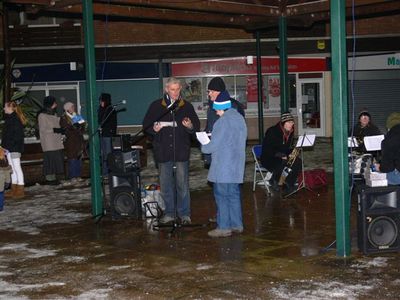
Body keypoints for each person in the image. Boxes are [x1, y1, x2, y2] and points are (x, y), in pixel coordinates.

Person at [142, 77, 200, 225]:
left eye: (178, 89)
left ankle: (184, 213)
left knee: (183, 185)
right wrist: (153, 129)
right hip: (163, 152)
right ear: (167, 90)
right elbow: (146, 126)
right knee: (166, 185)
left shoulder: (186, 106)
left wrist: (190, 126)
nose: (175, 92)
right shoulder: (156, 106)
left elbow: (196, 128)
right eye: (172, 89)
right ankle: (169, 213)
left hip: (181, 151)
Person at [201, 93, 247, 238]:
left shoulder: (221, 123)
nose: (216, 112)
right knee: (233, 195)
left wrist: (204, 143)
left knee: (221, 196)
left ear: (222, 108)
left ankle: (224, 227)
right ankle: (237, 224)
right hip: (236, 166)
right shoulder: (240, 119)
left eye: (217, 109)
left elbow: (212, 146)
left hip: (223, 167)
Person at [203, 76, 245, 168]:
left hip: (227, 154)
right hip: (215, 152)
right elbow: (210, 126)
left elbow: (238, 131)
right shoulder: (211, 107)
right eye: (208, 91)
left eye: (211, 91)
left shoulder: (233, 106)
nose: (209, 94)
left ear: (219, 92)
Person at [261, 112, 302, 195]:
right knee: (284, 162)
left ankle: (288, 183)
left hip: (282, 156)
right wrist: (281, 155)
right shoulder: (272, 131)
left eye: (292, 122)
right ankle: (274, 179)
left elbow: (286, 148)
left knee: (297, 161)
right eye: (289, 122)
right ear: (284, 123)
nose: (292, 124)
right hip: (269, 157)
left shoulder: (290, 132)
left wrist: (292, 152)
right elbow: (268, 149)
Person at [1, 100, 27, 199]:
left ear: (10, 108)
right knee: (12, 169)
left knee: (17, 168)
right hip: (9, 148)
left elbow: (16, 136)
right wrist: (4, 146)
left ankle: (20, 189)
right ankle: (14, 189)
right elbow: (7, 135)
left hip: (14, 148)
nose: (4, 109)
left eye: (5, 107)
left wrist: (8, 146)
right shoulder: (9, 119)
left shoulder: (15, 119)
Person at [38, 96, 65, 185]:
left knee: (56, 159)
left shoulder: (54, 114)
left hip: (56, 140)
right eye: (54, 103)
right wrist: (54, 130)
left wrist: (61, 130)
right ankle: (49, 179)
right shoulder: (42, 115)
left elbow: (57, 125)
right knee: (50, 160)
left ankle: (54, 178)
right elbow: (43, 129)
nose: (56, 104)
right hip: (48, 142)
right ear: (50, 104)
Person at [60, 102, 86, 183]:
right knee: (72, 159)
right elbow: (65, 128)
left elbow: (83, 124)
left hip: (78, 140)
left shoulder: (77, 115)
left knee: (78, 158)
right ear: (67, 108)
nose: (73, 108)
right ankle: (73, 176)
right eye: (72, 107)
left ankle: (78, 175)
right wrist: (74, 126)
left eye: (73, 106)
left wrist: (81, 126)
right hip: (70, 141)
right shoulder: (64, 117)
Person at [374, 114, 400, 185]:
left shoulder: (388, 140)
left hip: (398, 176)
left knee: (380, 180)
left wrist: (380, 168)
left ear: (388, 127)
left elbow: (388, 167)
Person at [98, 93, 117, 177]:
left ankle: (109, 171)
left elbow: (112, 123)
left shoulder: (110, 109)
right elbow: (99, 120)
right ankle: (104, 171)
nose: (100, 102)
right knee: (102, 154)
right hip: (102, 134)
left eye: (101, 100)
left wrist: (112, 132)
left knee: (108, 154)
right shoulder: (101, 109)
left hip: (108, 134)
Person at [0, 146, 12, 211]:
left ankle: (0, 207)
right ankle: (0, 207)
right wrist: (8, 181)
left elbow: (6, 170)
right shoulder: (2, 156)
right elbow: (7, 170)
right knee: (1, 193)